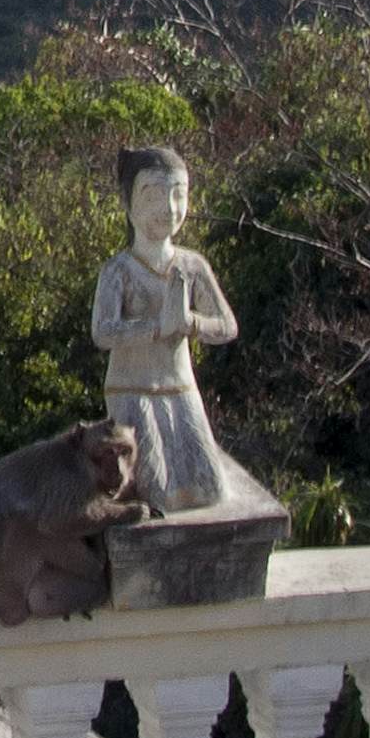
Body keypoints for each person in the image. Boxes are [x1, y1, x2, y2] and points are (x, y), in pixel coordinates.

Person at [89, 144, 243, 517]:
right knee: (153, 490)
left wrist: (191, 323)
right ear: (128, 203)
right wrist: (157, 327)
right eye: (154, 194)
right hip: (132, 390)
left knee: (207, 487)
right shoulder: (119, 270)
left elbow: (226, 325)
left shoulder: (192, 266)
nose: (169, 208)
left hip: (179, 387)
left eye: (178, 195)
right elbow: (103, 332)